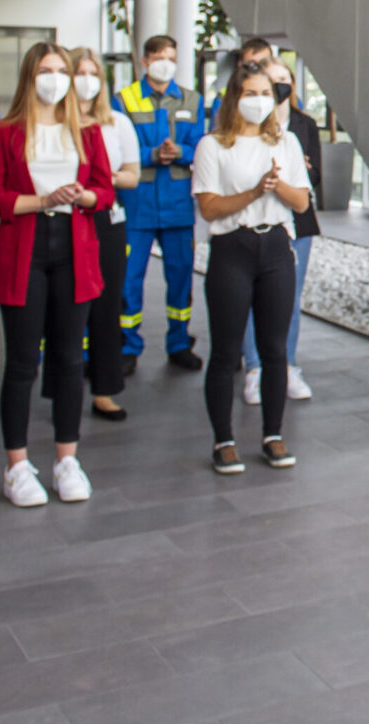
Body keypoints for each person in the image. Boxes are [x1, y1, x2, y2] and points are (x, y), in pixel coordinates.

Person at [0, 43, 113, 508]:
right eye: (45, 70)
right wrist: (42, 201)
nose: (54, 78)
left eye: (61, 70)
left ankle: (66, 460)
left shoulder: (87, 131)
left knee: (70, 359)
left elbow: (105, 191)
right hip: (24, 251)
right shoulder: (5, 133)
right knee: (21, 363)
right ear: (28, 77)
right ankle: (16, 467)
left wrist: (82, 196)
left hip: (74, 250)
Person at [193, 62, 310, 475]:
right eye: (251, 93)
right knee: (226, 350)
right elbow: (209, 207)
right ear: (234, 98)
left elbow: (301, 203)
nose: (260, 101)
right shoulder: (212, 146)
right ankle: (223, 440)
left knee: (275, 349)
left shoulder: (286, 142)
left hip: (276, 247)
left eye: (266, 93)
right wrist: (254, 191)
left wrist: (277, 186)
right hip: (232, 249)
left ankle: (273, 435)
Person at [114, 35, 205, 372]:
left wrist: (180, 151)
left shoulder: (192, 100)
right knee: (128, 279)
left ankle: (179, 342)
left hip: (177, 205)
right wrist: (152, 154)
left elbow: (202, 146)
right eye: (159, 57)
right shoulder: (123, 100)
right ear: (145, 61)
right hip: (136, 204)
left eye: (171, 58)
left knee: (180, 278)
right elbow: (116, 149)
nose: (165, 63)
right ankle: (127, 345)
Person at [241, 59, 320, 406]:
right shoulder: (245, 127)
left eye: (284, 79)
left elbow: (313, 176)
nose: (278, 86)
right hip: (255, 217)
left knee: (289, 298)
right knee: (252, 298)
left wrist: (297, 173)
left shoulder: (304, 125)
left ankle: (287, 365)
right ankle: (255, 367)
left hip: (297, 221)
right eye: (271, 80)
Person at [71, 48, 141, 421]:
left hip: (106, 217)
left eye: (92, 73)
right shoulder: (54, 123)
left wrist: (101, 178)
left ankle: (104, 390)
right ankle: (63, 390)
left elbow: (132, 175)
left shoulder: (117, 123)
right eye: (78, 72)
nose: (86, 80)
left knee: (106, 304)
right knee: (66, 307)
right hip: (65, 217)